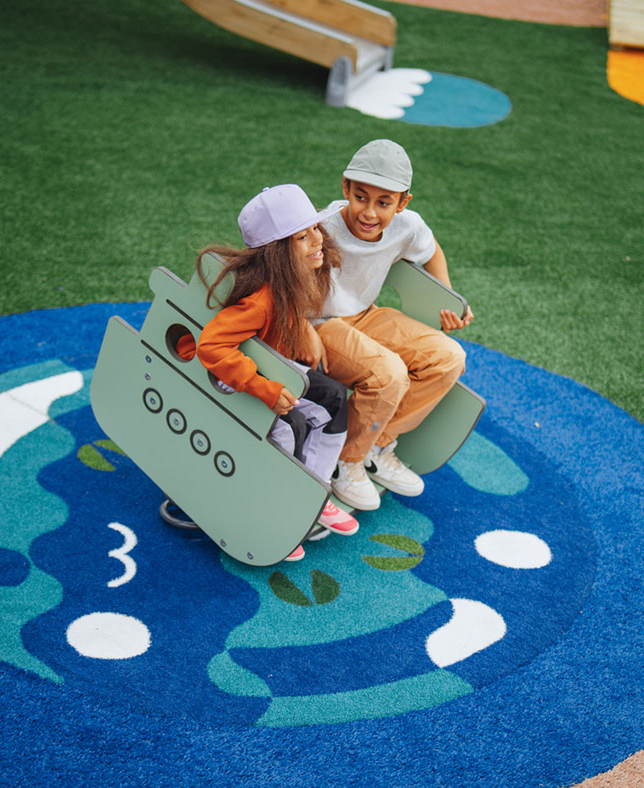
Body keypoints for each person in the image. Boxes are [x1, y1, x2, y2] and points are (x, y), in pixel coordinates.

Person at [189, 184, 360, 562]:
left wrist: (304, 329)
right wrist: (262, 387)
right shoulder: (260, 300)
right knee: (289, 425)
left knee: (334, 397)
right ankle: (275, 510)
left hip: (268, 366)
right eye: (302, 236)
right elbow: (211, 347)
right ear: (277, 253)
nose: (317, 239)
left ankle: (312, 494)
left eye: (315, 228)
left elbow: (283, 324)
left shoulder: (291, 282)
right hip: (234, 378)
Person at [307, 140, 474, 511]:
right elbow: (285, 271)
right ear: (345, 188)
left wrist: (447, 297)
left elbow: (432, 250)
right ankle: (346, 460)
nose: (369, 212)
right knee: (390, 373)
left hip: (365, 315)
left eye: (384, 203)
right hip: (320, 323)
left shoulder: (407, 226)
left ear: (402, 203)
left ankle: (377, 446)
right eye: (360, 197)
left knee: (449, 357)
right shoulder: (322, 227)